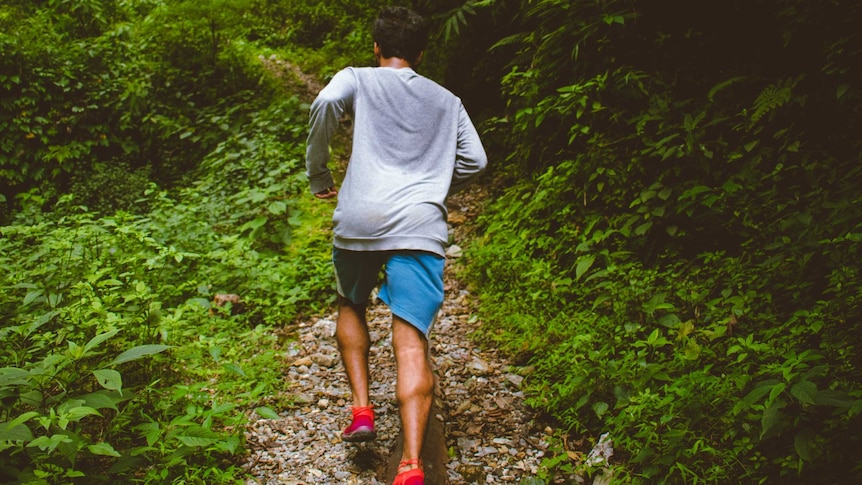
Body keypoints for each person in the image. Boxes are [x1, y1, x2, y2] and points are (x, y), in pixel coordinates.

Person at [305, 6, 487, 485]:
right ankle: (410, 465)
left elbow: (324, 103)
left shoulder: (357, 78)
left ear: (376, 47)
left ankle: (362, 410)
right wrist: (433, 186)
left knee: (350, 301)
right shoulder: (447, 100)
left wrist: (319, 174)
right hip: (420, 225)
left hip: (360, 218)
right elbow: (478, 161)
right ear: (422, 51)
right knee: (411, 342)